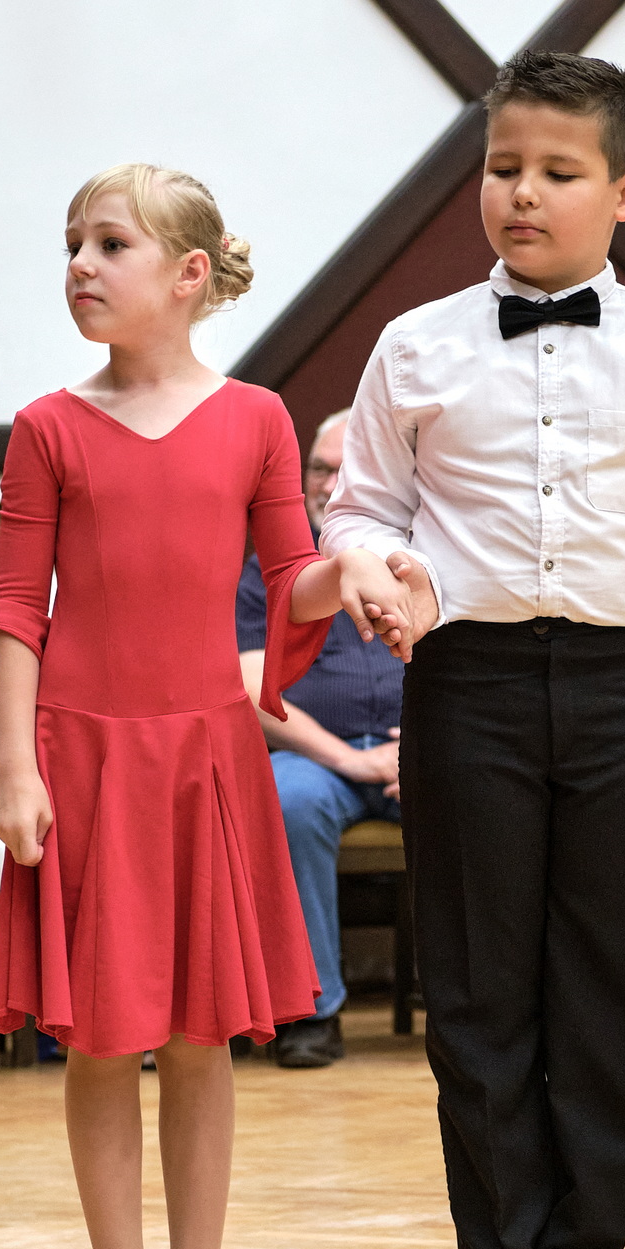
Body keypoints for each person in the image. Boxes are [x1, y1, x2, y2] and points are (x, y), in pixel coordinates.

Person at [321, 50, 625, 1249]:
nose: (521, 192)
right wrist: (373, 565)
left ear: (624, 192)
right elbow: (361, 507)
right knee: (476, 1001)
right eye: (502, 166)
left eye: (557, 172)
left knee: (606, 1006)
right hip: (468, 690)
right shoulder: (415, 346)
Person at [0, 163, 415, 1249]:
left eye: (107, 243)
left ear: (185, 274)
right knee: (102, 1038)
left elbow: (291, 579)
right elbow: (17, 610)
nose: (79, 264)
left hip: (206, 759)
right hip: (85, 756)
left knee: (198, 1039)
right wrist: (14, 769)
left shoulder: (256, 419)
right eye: (71, 243)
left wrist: (359, 570)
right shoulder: (46, 428)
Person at [236, 407, 404, 1068]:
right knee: (287, 802)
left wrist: (424, 748)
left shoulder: (421, 555)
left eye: (346, 470)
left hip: (420, 753)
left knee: (486, 794)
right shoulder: (267, 572)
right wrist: (349, 761)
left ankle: (481, 1010)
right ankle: (311, 1010)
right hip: (314, 758)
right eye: (319, 469)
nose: (329, 484)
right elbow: (253, 689)